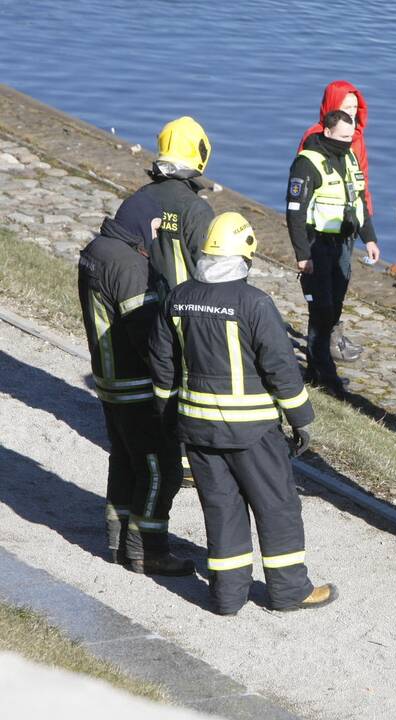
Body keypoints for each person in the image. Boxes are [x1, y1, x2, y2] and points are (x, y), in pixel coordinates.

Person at [150, 212, 336, 615]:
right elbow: (280, 368)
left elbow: (163, 365)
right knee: (277, 506)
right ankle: (288, 590)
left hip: (198, 429)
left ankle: (226, 596)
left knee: (221, 509)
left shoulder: (177, 298)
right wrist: (301, 417)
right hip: (252, 431)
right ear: (244, 257)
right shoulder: (254, 303)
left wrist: (168, 414)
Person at [77, 192, 192, 576]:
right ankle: (148, 549)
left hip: (109, 378)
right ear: (144, 222)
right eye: (157, 229)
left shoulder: (98, 248)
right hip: (135, 382)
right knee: (162, 467)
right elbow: (146, 336)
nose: (159, 238)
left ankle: (117, 536)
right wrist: (172, 384)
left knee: (125, 459)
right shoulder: (129, 267)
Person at [130, 115, 215, 488]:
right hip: (182, 310)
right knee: (187, 382)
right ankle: (184, 460)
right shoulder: (195, 209)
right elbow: (209, 266)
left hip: (143, 304)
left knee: (157, 378)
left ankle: (153, 444)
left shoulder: (141, 198)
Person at [287, 110, 379, 397]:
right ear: (327, 132)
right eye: (342, 137)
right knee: (321, 310)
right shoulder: (307, 163)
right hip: (317, 244)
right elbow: (295, 213)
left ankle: (318, 370)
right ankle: (326, 377)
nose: (347, 142)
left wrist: (370, 239)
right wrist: (303, 255)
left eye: (350, 138)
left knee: (335, 307)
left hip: (342, 244)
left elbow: (358, 201)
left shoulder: (349, 157)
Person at [297, 80, 374, 363]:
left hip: (347, 224)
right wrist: (303, 248)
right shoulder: (314, 139)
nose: (352, 113)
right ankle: (321, 352)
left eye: (355, 107)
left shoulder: (356, 139)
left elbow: (359, 184)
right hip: (321, 231)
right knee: (321, 297)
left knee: (340, 286)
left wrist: (367, 229)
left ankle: (333, 336)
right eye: (346, 107)